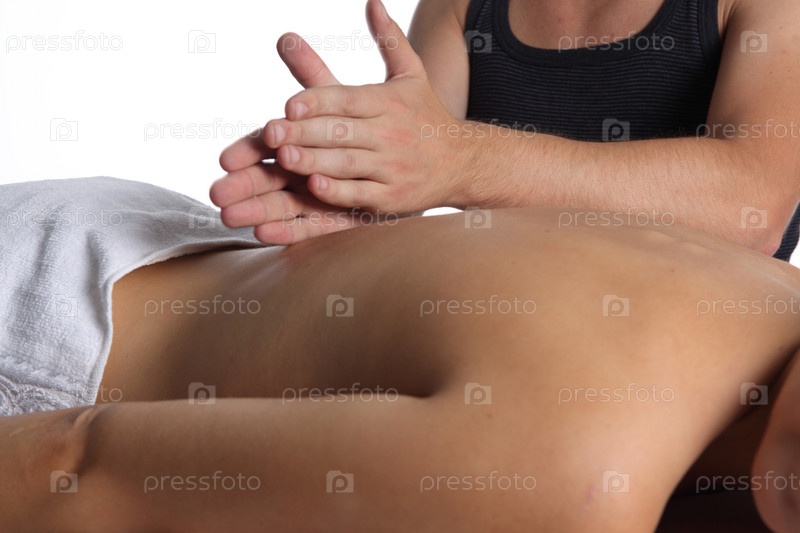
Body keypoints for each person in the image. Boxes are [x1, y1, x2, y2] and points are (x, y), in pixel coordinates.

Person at [1, 202, 799, 532]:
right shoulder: (583, 472)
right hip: (57, 357)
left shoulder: (769, 307)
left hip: (147, 250)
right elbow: (73, 467)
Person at [210, 0, 800, 259]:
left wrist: (462, 159)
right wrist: (355, 187)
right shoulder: (461, 6)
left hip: (693, 365)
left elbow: (750, 211)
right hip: (508, 341)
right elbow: (420, 156)